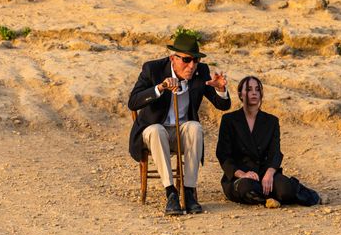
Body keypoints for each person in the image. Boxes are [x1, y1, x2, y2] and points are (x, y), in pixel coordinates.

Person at [128, 31, 231, 216]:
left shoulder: (201, 72)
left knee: (195, 127)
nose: (191, 66)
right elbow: (133, 102)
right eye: (186, 60)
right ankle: (171, 193)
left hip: (180, 132)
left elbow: (223, 105)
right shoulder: (153, 69)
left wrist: (221, 89)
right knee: (157, 130)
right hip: (152, 133)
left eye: (195, 61)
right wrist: (160, 87)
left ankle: (189, 192)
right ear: (173, 58)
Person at [216, 76, 320, 206]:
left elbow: (275, 152)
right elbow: (223, 154)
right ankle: (268, 197)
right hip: (240, 176)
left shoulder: (271, 121)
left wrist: (270, 174)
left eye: (257, 89)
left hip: (264, 172)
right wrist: (242, 174)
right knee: (247, 188)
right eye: (248, 89)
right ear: (240, 94)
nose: (254, 92)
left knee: (285, 189)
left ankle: (274, 194)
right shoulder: (229, 120)